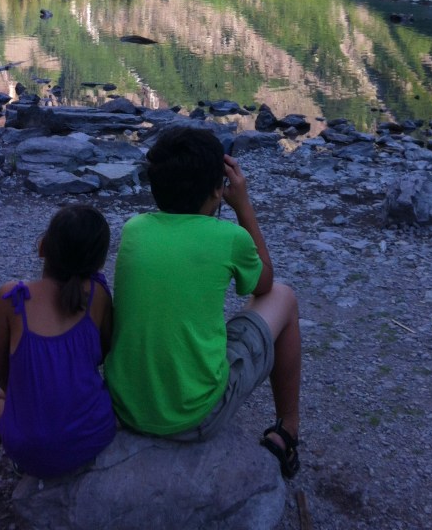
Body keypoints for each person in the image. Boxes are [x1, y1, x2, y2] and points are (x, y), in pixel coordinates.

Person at [105, 125, 301, 477]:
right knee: (284, 297)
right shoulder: (228, 237)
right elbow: (264, 284)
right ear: (218, 189)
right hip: (196, 416)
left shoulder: (134, 228)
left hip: (125, 407)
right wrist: (243, 205)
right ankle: (287, 430)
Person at [0, 205, 116, 514]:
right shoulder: (98, 296)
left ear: (42, 248)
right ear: (98, 262)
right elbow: (103, 352)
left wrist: (15, 395)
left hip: (30, 448)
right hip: (93, 434)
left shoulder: (12, 297)